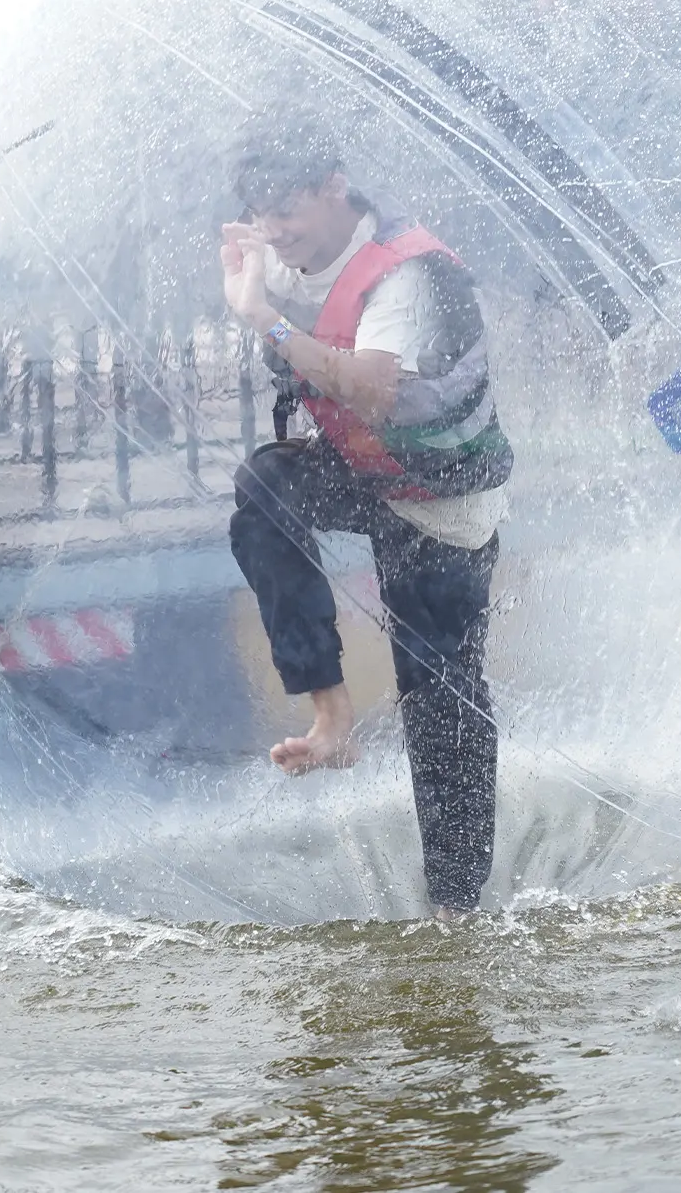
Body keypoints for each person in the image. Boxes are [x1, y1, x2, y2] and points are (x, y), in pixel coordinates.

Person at [220, 114, 513, 914]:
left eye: (289, 211)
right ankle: (331, 714)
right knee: (264, 489)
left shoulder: (406, 276)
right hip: (367, 475)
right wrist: (258, 283)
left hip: (443, 503)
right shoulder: (296, 263)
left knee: (440, 694)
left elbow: (375, 387)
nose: (277, 232)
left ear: (335, 189)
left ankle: (456, 904)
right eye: (263, 214)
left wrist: (261, 314)